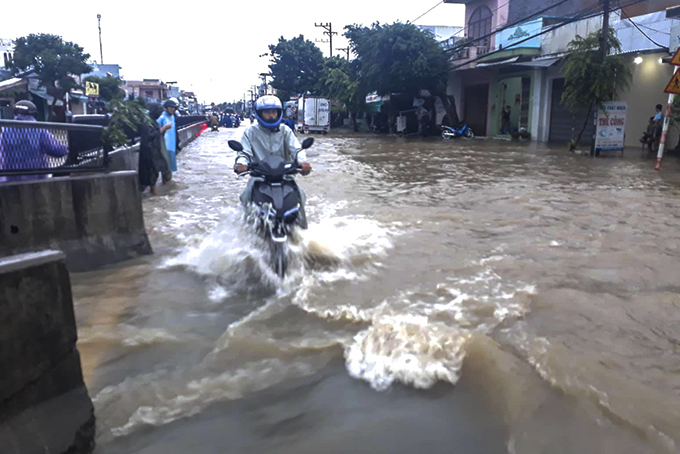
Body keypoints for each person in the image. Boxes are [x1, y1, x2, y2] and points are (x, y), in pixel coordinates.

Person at [234, 95, 312, 228]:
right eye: (267, 112)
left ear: (278, 113)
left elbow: (297, 150)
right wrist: (241, 164)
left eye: (273, 112)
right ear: (259, 114)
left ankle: (303, 231)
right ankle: (247, 230)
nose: (271, 116)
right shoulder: (250, 132)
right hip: (259, 178)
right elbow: (244, 153)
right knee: (245, 197)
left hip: (285, 176)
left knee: (301, 195)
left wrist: (303, 162)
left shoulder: (286, 131)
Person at [0, 100, 68, 183]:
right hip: (36, 179)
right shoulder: (38, 129)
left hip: (9, 180)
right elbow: (56, 150)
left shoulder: (6, 130)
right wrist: (68, 148)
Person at [139, 103, 172, 194]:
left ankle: (164, 189)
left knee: (163, 168)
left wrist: (163, 130)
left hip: (156, 149)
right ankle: (152, 192)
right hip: (150, 150)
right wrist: (163, 128)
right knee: (152, 171)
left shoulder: (153, 121)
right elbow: (150, 135)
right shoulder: (147, 121)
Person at [157, 99, 179, 173]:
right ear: (166, 108)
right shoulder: (162, 118)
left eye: (174, 108)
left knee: (171, 168)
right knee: (165, 168)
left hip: (172, 145)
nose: (172, 109)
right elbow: (156, 132)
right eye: (171, 107)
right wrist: (164, 128)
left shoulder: (173, 117)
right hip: (165, 145)